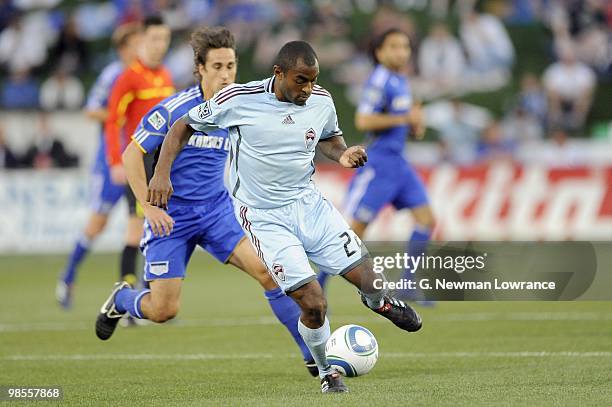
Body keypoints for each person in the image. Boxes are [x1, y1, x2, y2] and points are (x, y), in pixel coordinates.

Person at [144, 41, 422, 393]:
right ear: (279, 74)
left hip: (310, 206)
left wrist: (343, 154)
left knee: (369, 281)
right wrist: (161, 173)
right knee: (314, 302)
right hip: (264, 217)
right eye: (301, 81)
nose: (308, 89)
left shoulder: (320, 100)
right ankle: (326, 372)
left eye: (312, 80)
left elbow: (330, 137)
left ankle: (379, 301)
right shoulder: (238, 100)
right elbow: (182, 126)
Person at [95, 26, 316, 376]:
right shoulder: (175, 109)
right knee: (164, 310)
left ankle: (312, 356)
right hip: (171, 219)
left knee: (270, 273)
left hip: (217, 212)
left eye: (230, 66)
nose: (226, 74)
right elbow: (131, 155)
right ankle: (122, 299)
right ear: (200, 68)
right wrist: (148, 207)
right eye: (217, 67)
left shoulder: (241, 104)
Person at [321, 28, 435, 303]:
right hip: (380, 164)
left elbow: (401, 121)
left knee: (426, 220)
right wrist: (405, 118)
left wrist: (413, 125)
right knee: (354, 233)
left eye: (405, 47)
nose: (401, 52)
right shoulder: (379, 81)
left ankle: (407, 283)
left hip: (399, 164)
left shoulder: (401, 80)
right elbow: (364, 120)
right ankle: (317, 285)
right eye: (394, 47)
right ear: (379, 52)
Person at [56, 23, 142, 308]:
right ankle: (67, 277)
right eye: (135, 44)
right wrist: (119, 111)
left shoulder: (145, 74)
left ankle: (141, 293)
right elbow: (91, 110)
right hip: (109, 163)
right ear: (123, 49)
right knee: (97, 224)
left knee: (140, 225)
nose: (141, 48)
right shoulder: (113, 74)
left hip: (137, 160)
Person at [104, 15, 174, 287]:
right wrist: (115, 161)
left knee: (162, 230)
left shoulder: (165, 75)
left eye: (165, 39)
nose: (160, 45)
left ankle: (152, 296)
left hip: (162, 165)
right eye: (155, 38)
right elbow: (113, 121)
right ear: (142, 40)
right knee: (136, 230)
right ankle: (126, 296)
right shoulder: (129, 77)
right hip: (139, 164)